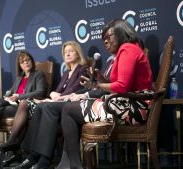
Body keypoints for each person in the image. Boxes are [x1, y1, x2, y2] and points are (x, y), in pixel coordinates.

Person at [56, 19, 153, 169]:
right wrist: (103, 79)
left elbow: (121, 86)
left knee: (68, 110)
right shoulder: (128, 50)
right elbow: (122, 83)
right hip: (128, 104)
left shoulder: (127, 49)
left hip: (132, 108)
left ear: (121, 33)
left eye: (109, 37)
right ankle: (71, 164)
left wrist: (96, 84)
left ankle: (74, 165)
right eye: (104, 39)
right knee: (71, 109)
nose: (106, 42)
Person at [11, 41, 88, 169]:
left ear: (78, 53)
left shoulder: (83, 70)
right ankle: (32, 156)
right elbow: (56, 91)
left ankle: (44, 160)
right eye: (65, 52)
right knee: (40, 106)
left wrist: (57, 97)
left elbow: (75, 90)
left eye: (71, 51)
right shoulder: (66, 73)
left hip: (72, 104)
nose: (67, 53)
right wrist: (53, 94)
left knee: (47, 107)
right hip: (60, 103)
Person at [0, 51, 47, 150]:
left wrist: (19, 96)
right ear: (20, 65)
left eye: (28, 60)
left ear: (32, 61)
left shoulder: (38, 74)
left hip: (23, 107)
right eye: (23, 61)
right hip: (13, 104)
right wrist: (8, 95)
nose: (26, 63)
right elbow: (11, 91)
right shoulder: (20, 77)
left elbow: (40, 92)